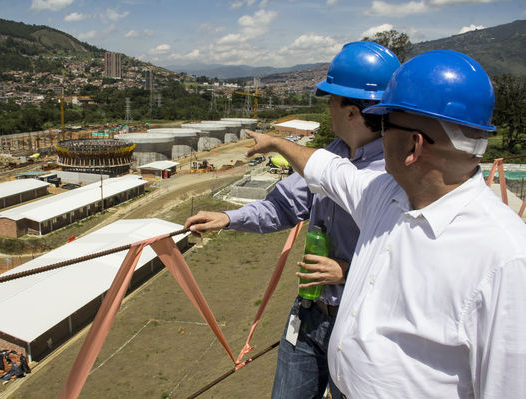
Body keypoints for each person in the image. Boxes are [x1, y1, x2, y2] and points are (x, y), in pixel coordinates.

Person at [241, 49, 526, 398]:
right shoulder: (385, 196)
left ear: (413, 145)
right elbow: (325, 168)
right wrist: (275, 142)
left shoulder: (505, 259)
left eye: (384, 124)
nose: (378, 134)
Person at [185, 41, 400, 399]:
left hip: (360, 322)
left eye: (332, 100)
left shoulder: (392, 175)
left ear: (352, 112)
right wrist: (227, 217)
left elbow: (407, 255)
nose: (327, 107)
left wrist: (346, 271)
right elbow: (281, 208)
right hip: (309, 311)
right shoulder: (326, 157)